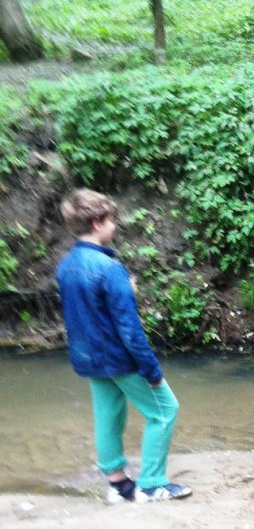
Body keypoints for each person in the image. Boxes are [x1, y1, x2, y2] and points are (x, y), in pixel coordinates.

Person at [56, 188, 191, 504]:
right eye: (112, 220)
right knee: (164, 410)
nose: (115, 226)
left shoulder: (66, 266)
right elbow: (129, 330)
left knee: (107, 414)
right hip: (119, 357)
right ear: (97, 223)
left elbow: (83, 314)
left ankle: (117, 483)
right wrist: (151, 370)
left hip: (88, 357)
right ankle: (152, 483)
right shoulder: (110, 269)